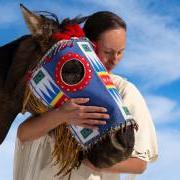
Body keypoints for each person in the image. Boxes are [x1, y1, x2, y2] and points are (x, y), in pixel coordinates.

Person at [13, 11, 158, 180]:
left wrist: (86, 159)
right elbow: (24, 134)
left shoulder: (124, 91)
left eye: (120, 52)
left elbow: (139, 164)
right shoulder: (59, 86)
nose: (115, 60)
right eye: (108, 51)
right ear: (87, 46)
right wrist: (61, 116)